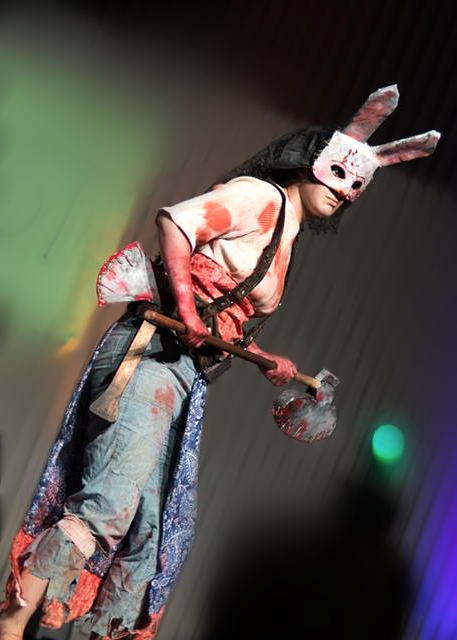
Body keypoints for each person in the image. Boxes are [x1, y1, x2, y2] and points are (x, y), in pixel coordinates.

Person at [0, 85, 439, 640]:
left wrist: (265, 358)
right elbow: (176, 223)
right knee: (107, 507)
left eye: (356, 187)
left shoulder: (287, 233)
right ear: (310, 161)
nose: (344, 191)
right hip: (152, 354)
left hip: (184, 373)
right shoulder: (261, 197)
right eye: (339, 174)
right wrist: (185, 308)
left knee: (153, 534)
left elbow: (225, 317)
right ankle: (11, 626)